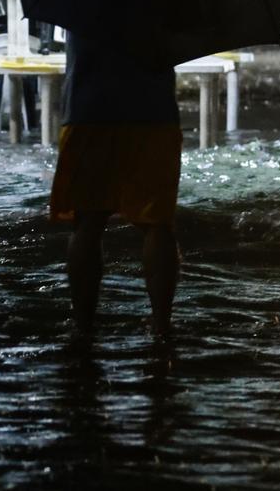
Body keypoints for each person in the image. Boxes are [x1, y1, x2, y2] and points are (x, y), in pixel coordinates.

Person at [49, 32, 182, 334]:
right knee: (157, 224)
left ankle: (83, 326)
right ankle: (162, 324)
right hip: (153, 111)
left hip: (89, 107)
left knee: (88, 222)